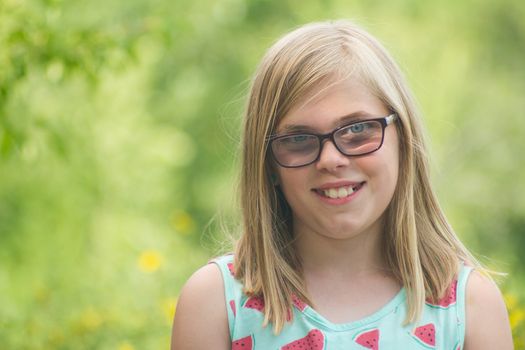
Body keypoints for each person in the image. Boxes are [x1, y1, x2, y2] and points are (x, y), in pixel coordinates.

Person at [171, 20, 513, 349]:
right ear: (268, 164)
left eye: (358, 130)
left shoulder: (469, 309)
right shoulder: (216, 303)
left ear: (403, 140)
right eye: (300, 138)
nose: (331, 159)